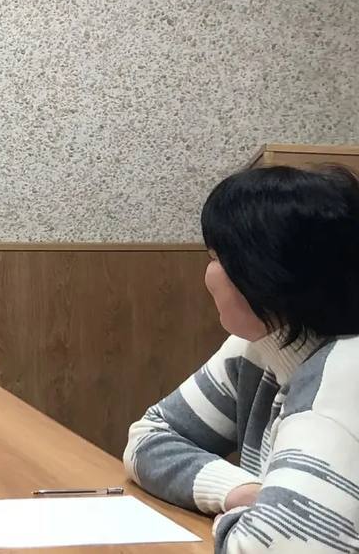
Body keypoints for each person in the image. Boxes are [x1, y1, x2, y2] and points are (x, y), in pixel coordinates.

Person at [124, 165, 359, 553]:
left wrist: (247, 521)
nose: (207, 274)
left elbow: (273, 547)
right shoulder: (257, 347)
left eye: (216, 257)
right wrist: (243, 492)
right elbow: (150, 438)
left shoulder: (345, 374)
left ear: (263, 273)